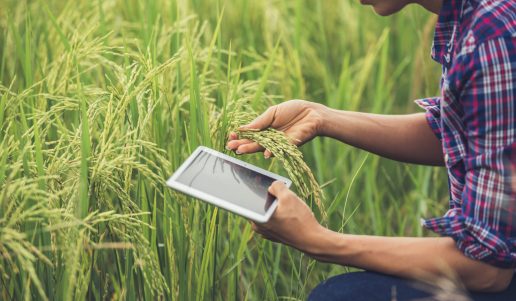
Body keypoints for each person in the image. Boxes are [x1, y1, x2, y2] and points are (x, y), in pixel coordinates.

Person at [226, 0, 516, 300]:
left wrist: (317, 240)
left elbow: (486, 268)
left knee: (336, 297)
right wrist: (321, 117)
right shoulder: (476, 17)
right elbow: (468, 135)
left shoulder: (491, 38)